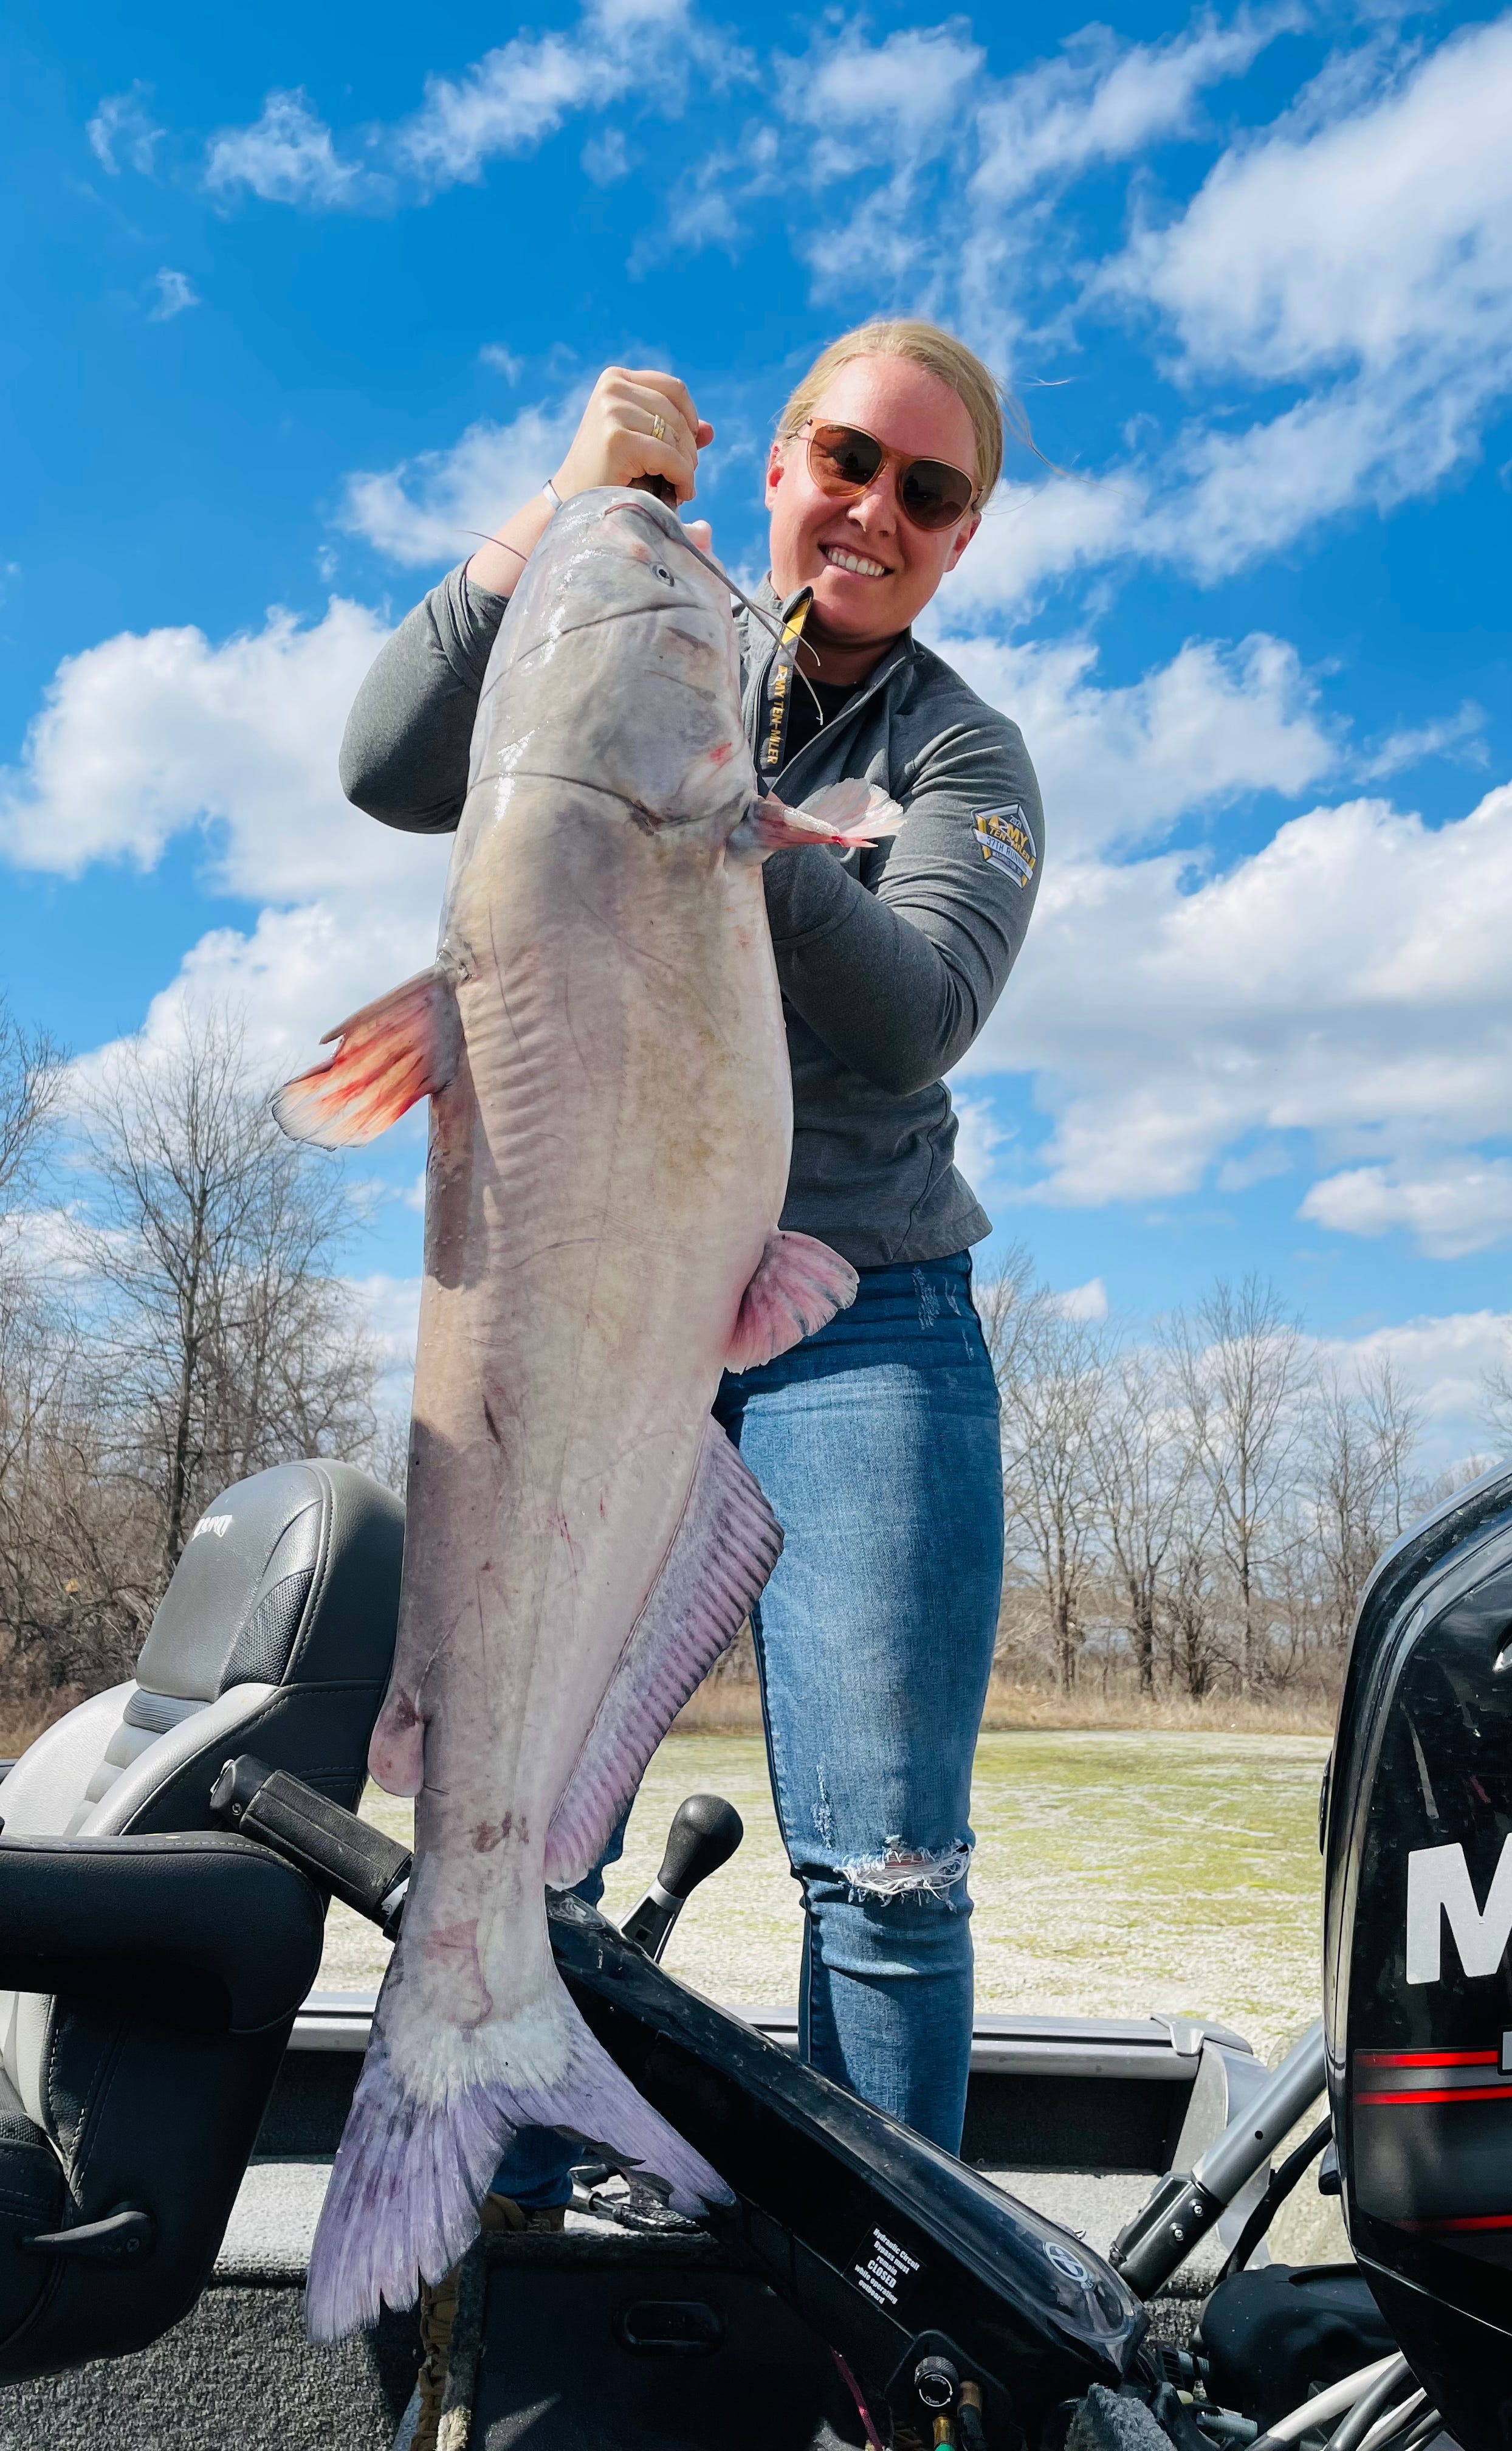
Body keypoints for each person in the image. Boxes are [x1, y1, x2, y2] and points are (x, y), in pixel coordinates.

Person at [340, 320, 1044, 2444]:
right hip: (600, 1311)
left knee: (886, 1868)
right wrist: (556, 513)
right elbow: (389, 766)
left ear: (963, 535)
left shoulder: (967, 761)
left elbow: (918, 1010)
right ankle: (518, 2244)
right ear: (779, 466)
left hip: (862, 1311)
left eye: (931, 495)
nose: (878, 513)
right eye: (850, 459)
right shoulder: (635, 631)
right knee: (544, 1833)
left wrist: (714, 822)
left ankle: (884, 2325)